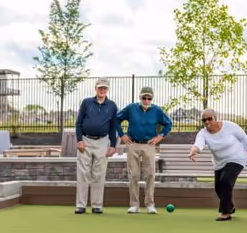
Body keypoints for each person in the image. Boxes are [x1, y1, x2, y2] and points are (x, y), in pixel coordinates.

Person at [188, 108, 247, 221]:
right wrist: (193, 151)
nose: (207, 122)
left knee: (226, 180)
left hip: (237, 158)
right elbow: (198, 144)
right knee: (218, 188)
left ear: (216, 118)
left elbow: (244, 138)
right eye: (204, 120)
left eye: (209, 119)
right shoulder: (203, 133)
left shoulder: (229, 126)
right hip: (219, 163)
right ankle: (230, 206)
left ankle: (225, 213)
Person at [116, 86, 173, 214]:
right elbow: (116, 119)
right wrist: (122, 134)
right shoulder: (131, 108)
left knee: (150, 174)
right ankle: (134, 204)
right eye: (144, 98)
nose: (146, 100)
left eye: (149, 98)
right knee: (134, 175)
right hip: (133, 144)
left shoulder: (157, 110)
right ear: (140, 97)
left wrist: (159, 136)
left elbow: (168, 124)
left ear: (152, 98)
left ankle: (150, 204)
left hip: (149, 145)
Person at [74, 77, 118, 214]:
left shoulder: (112, 106)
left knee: (99, 174)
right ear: (96, 88)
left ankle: (97, 205)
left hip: (103, 141)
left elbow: (113, 127)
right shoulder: (87, 103)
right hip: (86, 141)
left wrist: (113, 145)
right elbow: (79, 123)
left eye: (104, 88)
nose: (102, 90)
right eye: (100, 88)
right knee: (83, 173)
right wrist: (79, 140)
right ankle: (80, 205)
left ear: (107, 89)